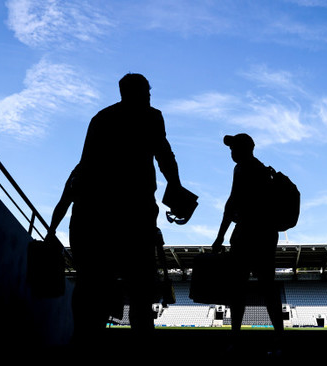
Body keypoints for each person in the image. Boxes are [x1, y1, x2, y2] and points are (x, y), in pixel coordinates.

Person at [47, 73, 184, 347]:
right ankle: (138, 342)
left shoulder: (102, 118)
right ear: (138, 92)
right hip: (132, 215)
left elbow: (81, 174)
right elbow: (165, 156)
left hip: (95, 216)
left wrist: (54, 229)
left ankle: (85, 341)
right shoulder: (151, 117)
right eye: (146, 91)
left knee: (92, 285)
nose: (148, 96)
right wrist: (177, 188)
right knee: (139, 287)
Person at [211, 133, 284, 351]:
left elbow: (231, 204)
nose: (231, 152)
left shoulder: (244, 169)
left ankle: (235, 339)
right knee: (267, 288)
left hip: (248, 235)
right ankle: (279, 340)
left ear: (245, 149)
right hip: (265, 235)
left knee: (238, 289)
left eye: (234, 147)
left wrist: (220, 236)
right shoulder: (260, 169)